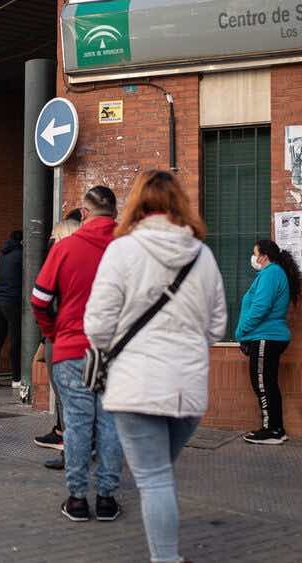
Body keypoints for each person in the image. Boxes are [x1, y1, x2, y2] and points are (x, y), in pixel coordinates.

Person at [85, 170, 226, 559]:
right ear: (180, 204)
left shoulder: (122, 252)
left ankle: (166, 558)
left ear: (137, 206)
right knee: (159, 476)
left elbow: (96, 327)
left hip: (134, 388)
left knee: (154, 479)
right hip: (186, 392)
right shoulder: (203, 256)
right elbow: (216, 327)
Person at [31, 186, 124, 522]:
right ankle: (107, 500)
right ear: (115, 214)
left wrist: (54, 331)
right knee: (111, 424)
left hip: (72, 350)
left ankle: (77, 499)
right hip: (113, 352)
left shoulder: (66, 248)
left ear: (84, 214)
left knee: (78, 424)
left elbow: (39, 300)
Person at [236, 239, 302, 445]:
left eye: (255, 253)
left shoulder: (270, 273)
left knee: (262, 384)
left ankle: (271, 430)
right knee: (268, 384)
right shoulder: (271, 273)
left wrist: (241, 332)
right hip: (267, 337)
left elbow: (260, 307)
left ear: (263, 256)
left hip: (266, 337)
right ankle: (276, 428)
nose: (253, 257)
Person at [35, 216, 81, 472]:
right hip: (85, 338)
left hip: (61, 336)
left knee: (64, 396)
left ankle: (70, 453)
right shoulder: (86, 260)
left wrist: (49, 331)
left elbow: (41, 300)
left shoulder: (59, 257)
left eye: (53, 236)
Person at [0, 230, 24, 388]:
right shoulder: (21, 254)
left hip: (0, 300)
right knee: (15, 340)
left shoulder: (2, 255)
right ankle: (16, 378)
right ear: (22, 241)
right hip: (13, 301)